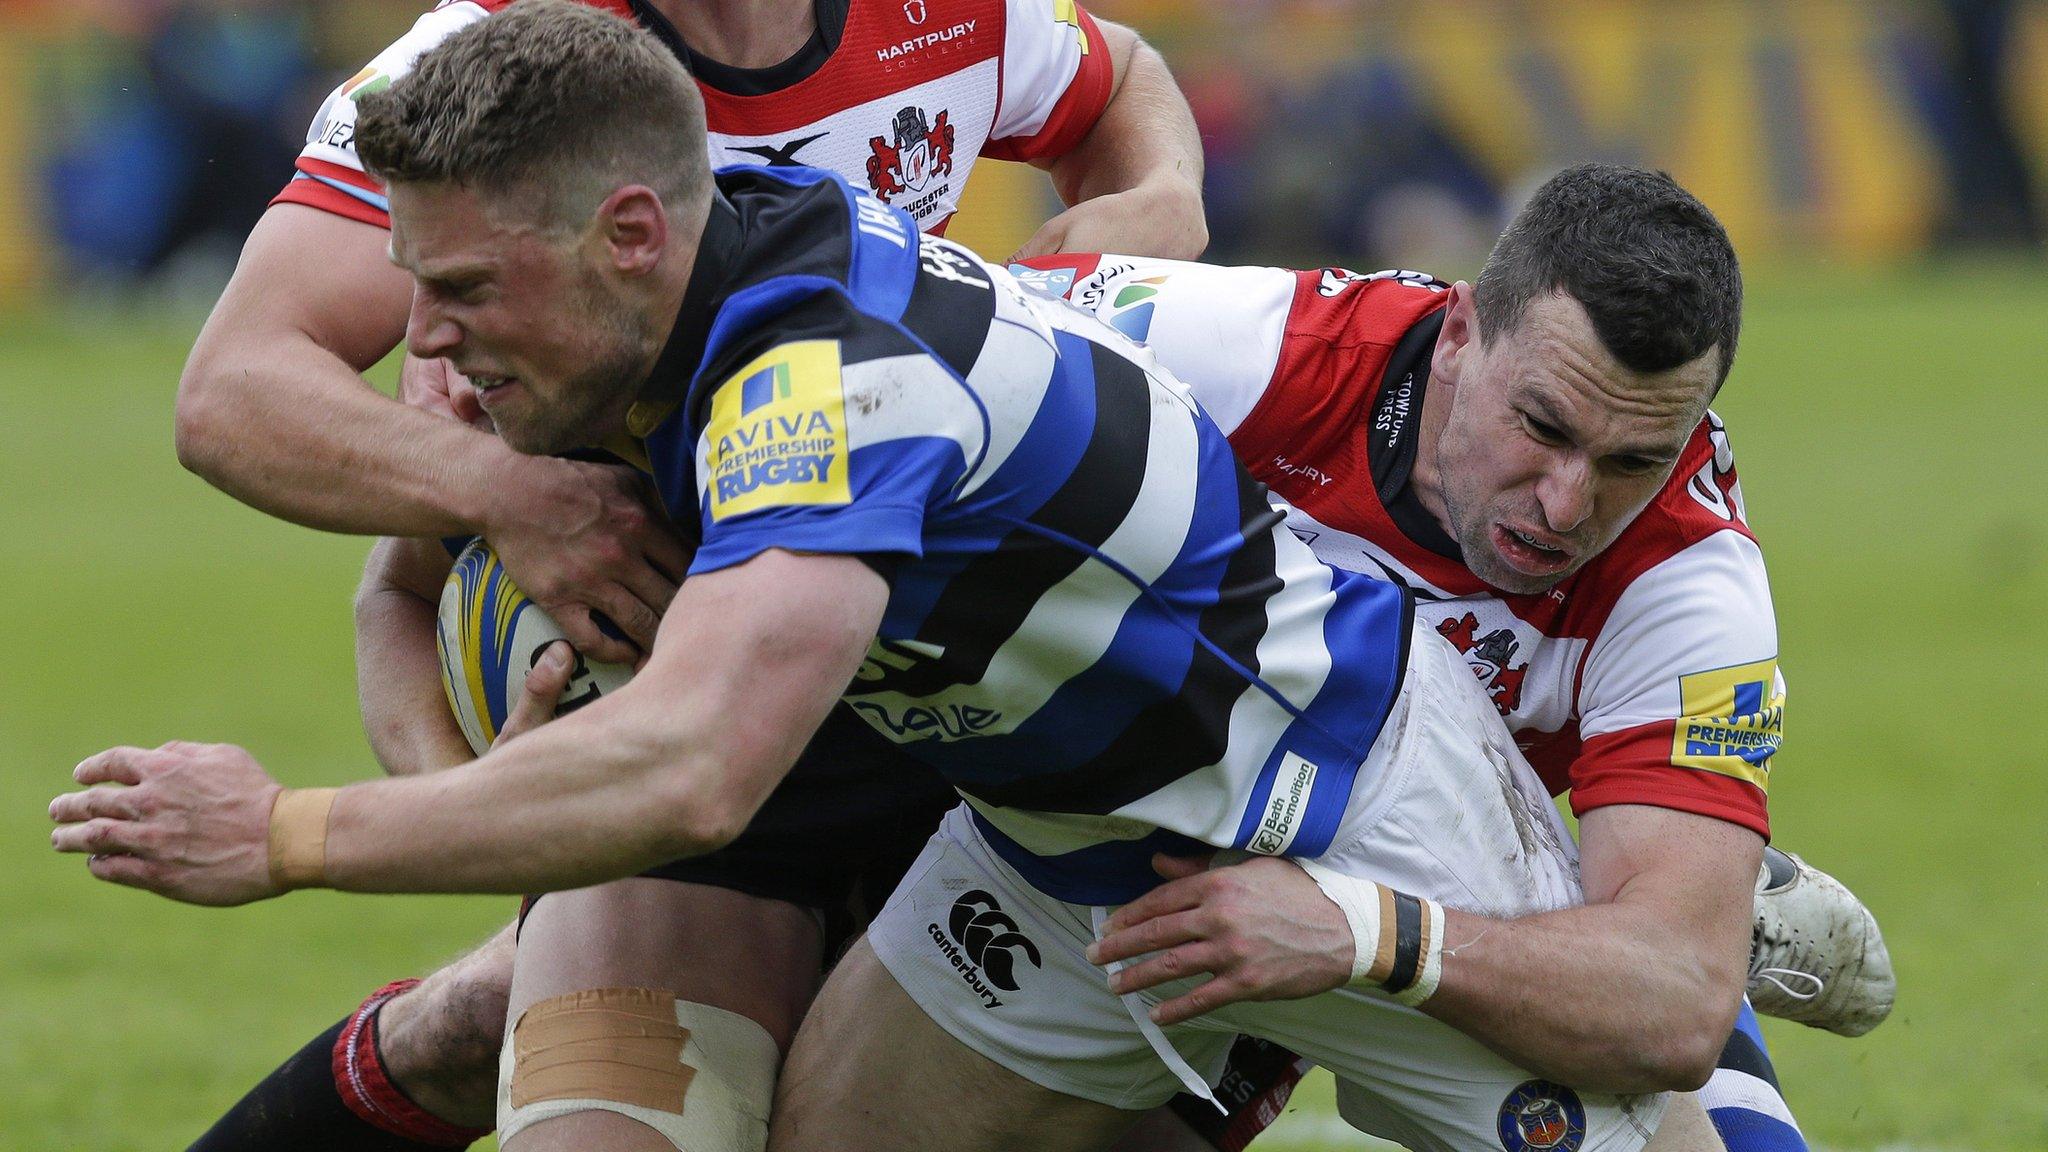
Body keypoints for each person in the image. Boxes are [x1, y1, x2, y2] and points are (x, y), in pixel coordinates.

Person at [56, 6, 1716, 1148]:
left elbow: (694, 765)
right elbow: (394, 574)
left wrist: (283, 832)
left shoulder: (822, 385)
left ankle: (1561, 883)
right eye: (416, 283)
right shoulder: (686, 246)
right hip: (1048, 841)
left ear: (629, 233)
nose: (417, 335)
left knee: (1661, 1079)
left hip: (1316, 802)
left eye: (465, 287)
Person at [166, 0, 1211, 1148]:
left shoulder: (944, 18)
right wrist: (510, 494)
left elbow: (1116, 75)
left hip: (964, 714)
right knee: (485, 1034)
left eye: (459, 294)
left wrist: (1157, 190)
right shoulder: (494, 72)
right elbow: (237, 396)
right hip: (680, 693)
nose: (426, 335)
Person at [1006, 232, 1897, 1150]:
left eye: (1633, 461)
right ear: (1460, 335)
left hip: (1439, 865)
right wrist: (1154, 159)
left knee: (1677, 1050)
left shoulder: (1695, 580)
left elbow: (1674, 1011)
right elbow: (923, 332)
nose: (1565, 503)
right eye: (1543, 428)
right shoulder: (1245, 348)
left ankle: (1673, 893)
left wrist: (1377, 933)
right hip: (1162, 811)